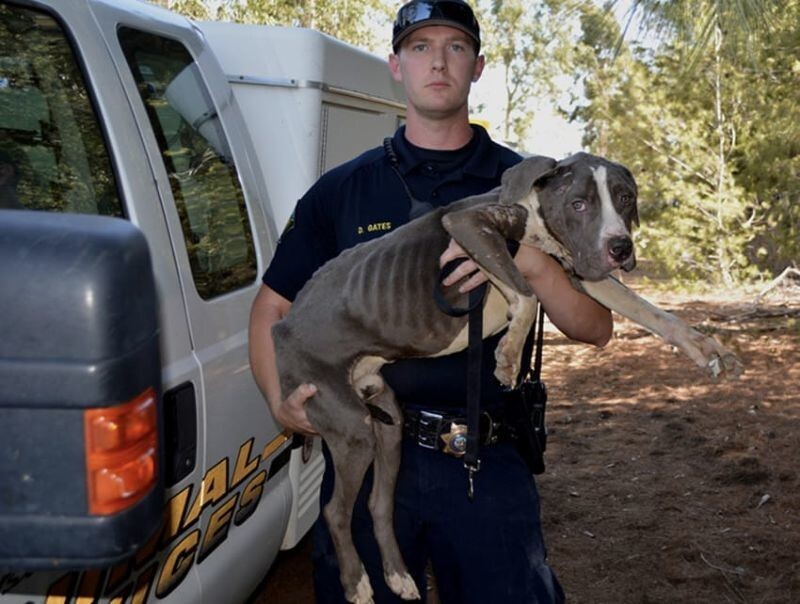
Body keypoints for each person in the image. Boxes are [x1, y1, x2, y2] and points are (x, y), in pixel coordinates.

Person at [249, 1, 613, 602]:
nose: (437, 61)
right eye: (420, 47)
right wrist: (276, 397)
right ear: (396, 65)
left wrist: (531, 264)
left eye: (455, 47)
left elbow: (594, 327)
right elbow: (272, 308)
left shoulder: (531, 186)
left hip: (486, 463)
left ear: (478, 65)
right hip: (369, 443)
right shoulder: (343, 189)